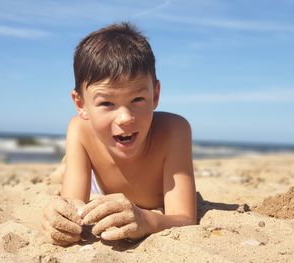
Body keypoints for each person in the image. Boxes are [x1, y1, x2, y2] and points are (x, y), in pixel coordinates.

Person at [42, 22, 197, 246]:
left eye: (138, 99)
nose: (125, 117)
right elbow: (72, 209)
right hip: (97, 181)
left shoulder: (174, 131)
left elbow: (185, 219)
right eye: (106, 103)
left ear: (155, 94)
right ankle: (65, 166)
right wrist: (59, 219)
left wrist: (146, 220)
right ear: (81, 103)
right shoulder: (80, 130)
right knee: (69, 170)